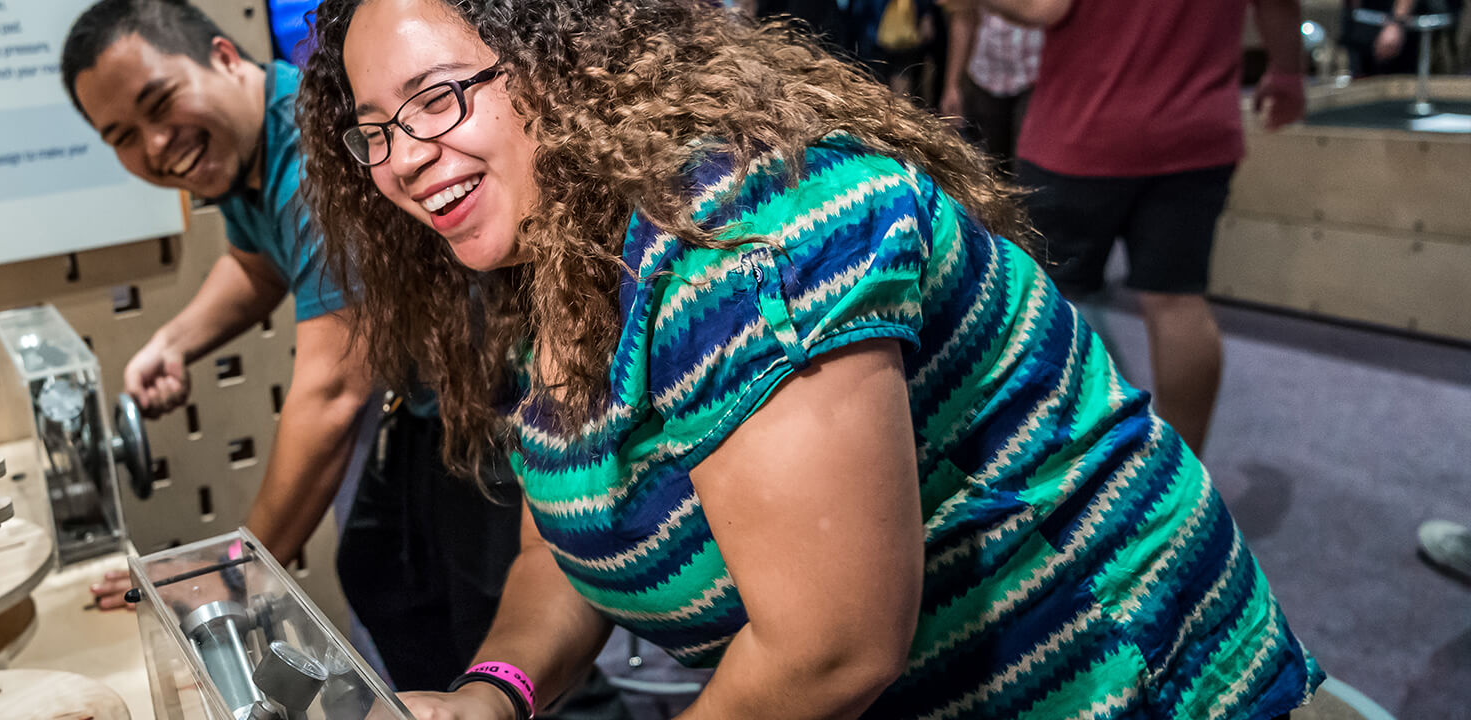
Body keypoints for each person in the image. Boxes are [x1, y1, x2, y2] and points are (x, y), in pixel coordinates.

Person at [296, 0, 1324, 717]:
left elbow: (830, 652)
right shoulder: (548, 260)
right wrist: (498, 693)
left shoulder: (745, 232)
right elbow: (556, 548)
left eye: (438, 99)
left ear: (562, 61)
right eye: (375, 130)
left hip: (1122, 682)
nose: (399, 159)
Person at [58, 3, 630, 715]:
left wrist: (226, 576)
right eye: (123, 137)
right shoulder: (244, 156)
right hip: (433, 402)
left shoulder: (303, 155)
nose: (156, 142)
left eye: (160, 102)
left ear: (225, 58)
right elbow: (259, 260)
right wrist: (174, 342)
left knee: (502, 619)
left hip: (502, 398)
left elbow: (332, 391)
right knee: (384, 573)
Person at [969, 0, 1306, 453]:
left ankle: (1044, 470)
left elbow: (1041, 7)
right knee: (1177, 300)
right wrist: (1287, 72)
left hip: (1083, 128)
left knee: (1043, 302)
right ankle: (1183, 476)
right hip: (1196, 128)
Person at [939, 4, 1040, 174]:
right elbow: (963, 19)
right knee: (991, 168)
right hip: (984, 77)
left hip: (1034, 80)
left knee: (1027, 169)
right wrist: (952, 85)